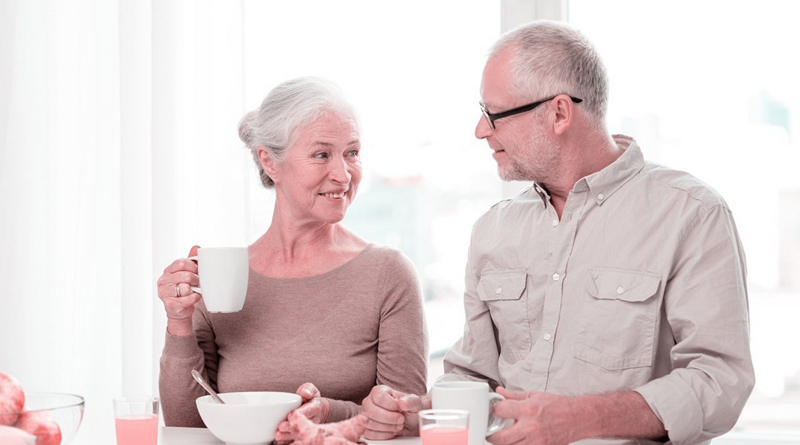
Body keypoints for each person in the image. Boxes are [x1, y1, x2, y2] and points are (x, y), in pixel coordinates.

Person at [362, 20, 754, 445]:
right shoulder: (493, 229)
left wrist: (580, 419)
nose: (481, 130)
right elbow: (474, 377)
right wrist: (420, 413)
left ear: (559, 113)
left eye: (494, 114)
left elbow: (720, 381)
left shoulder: (691, 214)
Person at [156, 77, 428, 436]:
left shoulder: (388, 273)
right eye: (322, 155)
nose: (343, 175)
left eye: (352, 152)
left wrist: (328, 413)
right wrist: (178, 324)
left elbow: (406, 421)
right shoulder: (222, 277)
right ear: (270, 161)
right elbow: (187, 427)